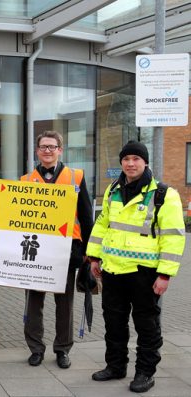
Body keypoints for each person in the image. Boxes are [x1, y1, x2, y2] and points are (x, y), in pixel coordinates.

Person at [88, 141, 185, 393]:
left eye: (136, 159)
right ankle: (115, 366)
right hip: (113, 270)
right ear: (121, 162)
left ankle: (145, 372)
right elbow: (101, 226)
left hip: (145, 273)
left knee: (147, 325)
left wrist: (165, 274)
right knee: (114, 322)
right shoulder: (113, 190)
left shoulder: (164, 194)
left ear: (145, 162)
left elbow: (173, 237)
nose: (130, 163)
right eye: (126, 159)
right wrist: (94, 257)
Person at [21, 131, 93, 369]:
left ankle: (62, 349)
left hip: (66, 250)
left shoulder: (76, 176)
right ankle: (35, 349)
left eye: (52, 147)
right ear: (37, 151)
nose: (47, 151)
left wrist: (87, 251)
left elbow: (85, 215)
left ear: (60, 150)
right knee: (33, 302)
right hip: (35, 250)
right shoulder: (24, 181)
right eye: (43, 147)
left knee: (64, 304)